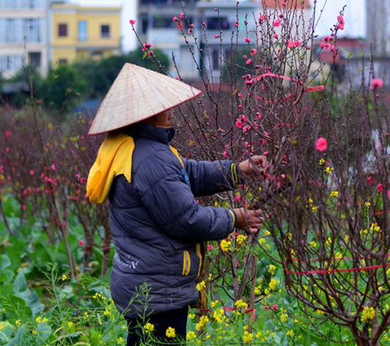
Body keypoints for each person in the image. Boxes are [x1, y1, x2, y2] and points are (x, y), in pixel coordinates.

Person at [86, 63, 267, 344]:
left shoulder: (131, 147)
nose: (171, 111)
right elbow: (186, 220)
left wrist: (238, 170)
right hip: (157, 289)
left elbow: (188, 173)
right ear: (148, 115)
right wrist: (236, 218)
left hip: (142, 280)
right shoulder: (150, 159)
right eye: (163, 106)